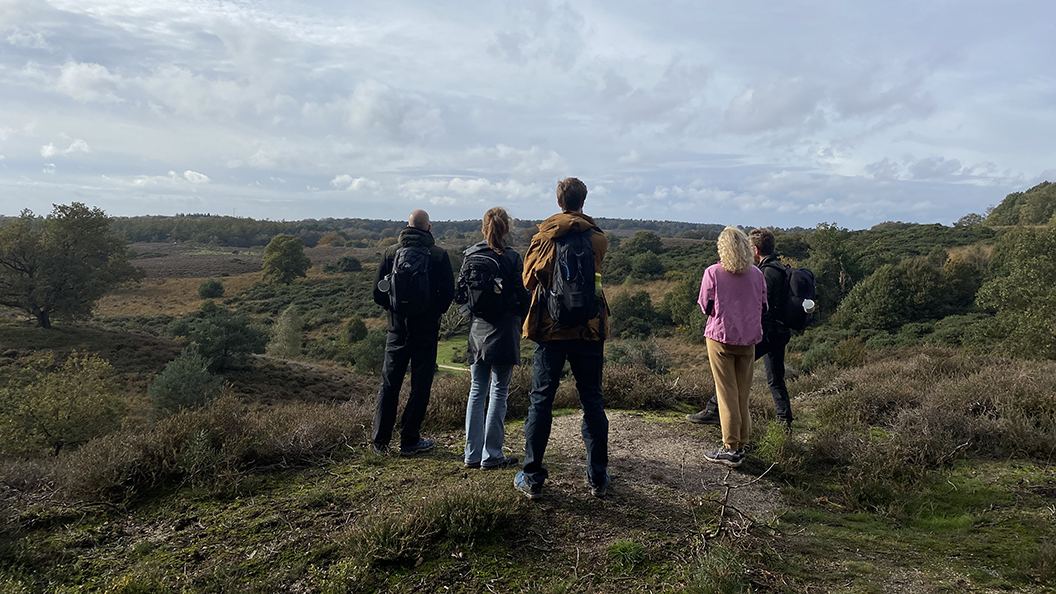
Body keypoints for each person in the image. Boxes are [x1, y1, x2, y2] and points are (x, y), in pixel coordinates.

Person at [514, 177, 610, 500]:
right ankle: (598, 476)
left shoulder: (543, 238)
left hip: (551, 330)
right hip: (589, 328)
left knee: (541, 401)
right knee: (592, 400)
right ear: (584, 201)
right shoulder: (597, 238)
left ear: (559, 203)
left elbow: (528, 280)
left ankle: (533, 477)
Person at [686, 227, 794, 430]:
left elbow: (760, 305)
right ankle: (784, 420)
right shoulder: (780, 268)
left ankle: (714, 411)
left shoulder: (764, 272)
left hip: (761, 332)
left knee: (731, 377)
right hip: (781, 332)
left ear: (754, 249)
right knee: (775, 378)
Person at [371, 209, 455, 456]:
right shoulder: (439, 255)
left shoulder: (390, 253)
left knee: (389, 384)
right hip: (426, 330)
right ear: (428, 228)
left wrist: (395, 311)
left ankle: (380, 442)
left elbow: (378, 294)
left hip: (396, 330)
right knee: (420, 384)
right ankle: (409, 440)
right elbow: (447, 293)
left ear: (406, 227)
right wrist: (432, 312)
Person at [456, 207, 530, 470]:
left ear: (483, 229)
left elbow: (461, 295)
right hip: (505, 328)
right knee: (499, 391)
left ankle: (471, 454)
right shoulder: (512, 257)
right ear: (507, 229)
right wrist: (524, 317)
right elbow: (523, 294)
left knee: (477, 390)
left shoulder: (470, 255)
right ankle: (492, 455)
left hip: (477, 329)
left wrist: (473, 314)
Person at [698, 226, 767, 467]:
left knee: (726, 393)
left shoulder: (713, 272)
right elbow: (764, 306)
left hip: (720, 338)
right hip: (748, 340)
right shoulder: (757, 275)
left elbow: (705, 306)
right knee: (742, 393)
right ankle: (742, 442)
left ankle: (731, 447)